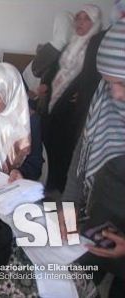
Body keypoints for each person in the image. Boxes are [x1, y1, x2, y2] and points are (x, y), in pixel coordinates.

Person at [60, 18, 125, 297]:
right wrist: (69, 205)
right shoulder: (106, 99)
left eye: (122, 83)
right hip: (100, 220)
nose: (116, 95)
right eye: (109, 83)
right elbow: (83, 153)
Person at [43, 4, 102, 193]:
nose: (80, 23)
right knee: (50, 143)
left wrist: (84, 92)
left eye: (86, 19)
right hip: (56, 98)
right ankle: (48, 184)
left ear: (95, 23)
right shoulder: (71, 42)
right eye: (79, 18)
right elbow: (57, 68)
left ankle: (59, 192)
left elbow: (96, 76)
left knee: (65, 148)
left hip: (75, 107)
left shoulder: (96, 47)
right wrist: (46, 82)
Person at [22, 11, 74, 113]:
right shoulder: (62, 48)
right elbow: (36, 71)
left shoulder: (54, 47)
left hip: (42, 94)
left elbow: (35, 71)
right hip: (40, 95)